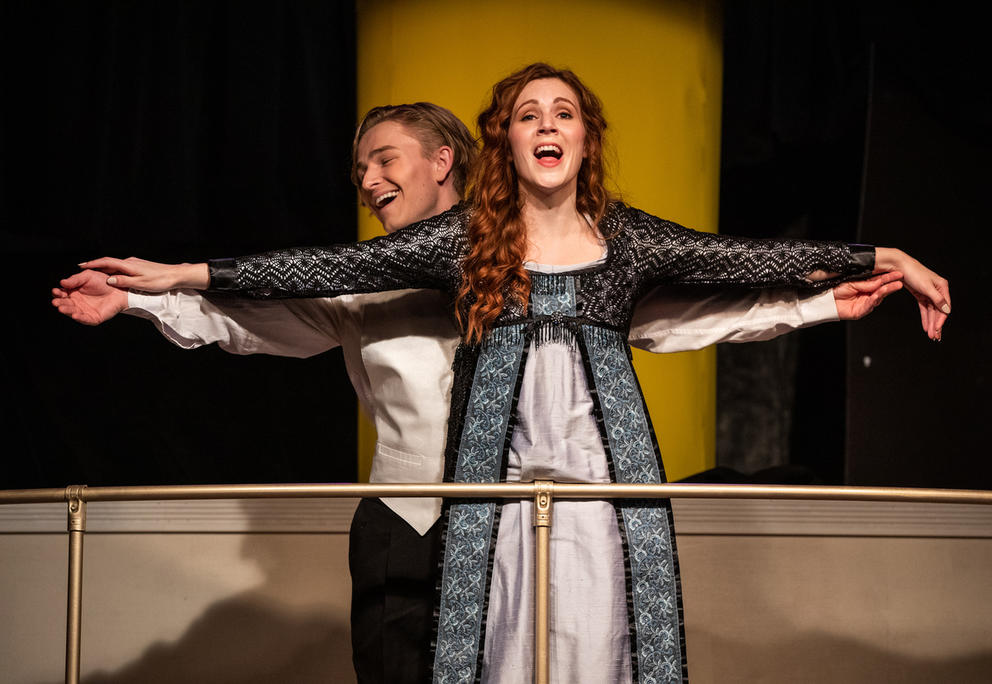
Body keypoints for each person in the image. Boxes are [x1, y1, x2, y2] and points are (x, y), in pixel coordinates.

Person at [56, 64, 948, 683]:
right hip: (416, 525)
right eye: (528, 114)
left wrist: (845, 282)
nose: (367, 179)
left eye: (383, 159)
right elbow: (284, 293)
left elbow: (711, 292)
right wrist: (156, 290)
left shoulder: (607, 250)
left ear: (446, 160)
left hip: (558, 515)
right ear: (504, 138)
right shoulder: (393, 273)